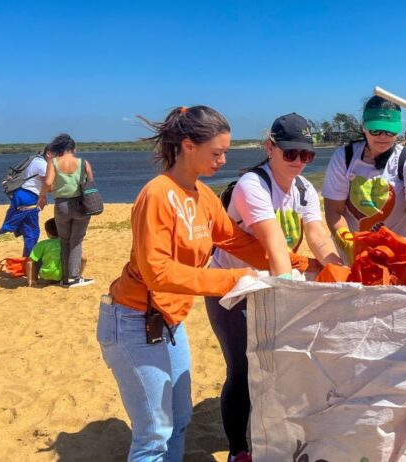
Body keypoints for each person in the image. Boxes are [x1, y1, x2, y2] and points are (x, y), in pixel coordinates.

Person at [97, 106, 289, 461]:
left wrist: (296, 263)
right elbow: (158, 273)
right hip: (133, 320)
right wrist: (232, 279)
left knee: (181, 419)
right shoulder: (157, 194)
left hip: (170, 322)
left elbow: (237, 242)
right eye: (216, 153)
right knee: (154, 434)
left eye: (226, 152)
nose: (223, 160)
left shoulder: (203, 197)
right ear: (188, 146)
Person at [205, 113, 342, 461]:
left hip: (273, 285)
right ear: (270, 148)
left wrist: (342, 271)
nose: (298, 161)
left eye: (307, 155)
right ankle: (238, 449)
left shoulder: (304, 188)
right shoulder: (253, 185)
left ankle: (275, 436)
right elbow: (274, 245)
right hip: (232, 290)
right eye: (290, 153)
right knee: (243, 368)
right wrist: (288, 293)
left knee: (281, 367)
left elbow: (317, 236)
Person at [322, 95, 406, 263]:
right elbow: (333, 210)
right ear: (364, 127)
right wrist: (350, 244)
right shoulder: (344, 158)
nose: (383, 136)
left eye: (390, 131)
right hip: (351, 252)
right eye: (375, 130)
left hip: (394, 252)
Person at [37, 134, 94, 287]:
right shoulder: (83, 162)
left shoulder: (53, 162)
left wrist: (42, 197)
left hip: (61, 205)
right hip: (80, 205)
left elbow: (48, 182)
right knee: (76, 241)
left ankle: (64, 277)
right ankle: (74, 277)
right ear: (73, 148)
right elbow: (90, 183)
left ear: (58, 148)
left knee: (64, 241)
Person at [0, 147, 49, 257]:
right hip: (29, 197)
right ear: (49, 153)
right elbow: (49, 185)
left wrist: (43, 195)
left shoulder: (35, 159)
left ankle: (26, 258)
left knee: (29, 230)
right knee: (32, 232)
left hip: (21, 193)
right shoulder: (44, 165)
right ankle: (29, 260)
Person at [25, 217, 86, 286]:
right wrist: (78, 274)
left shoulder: (42, 244)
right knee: (73, 256)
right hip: (65, 276)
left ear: (48, 232)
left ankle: (34, 280)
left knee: (35, 259)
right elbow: (83, 258)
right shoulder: (68, 243)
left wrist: (29, 279)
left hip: (46, 275)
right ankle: (75, 278)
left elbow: (29, 262)